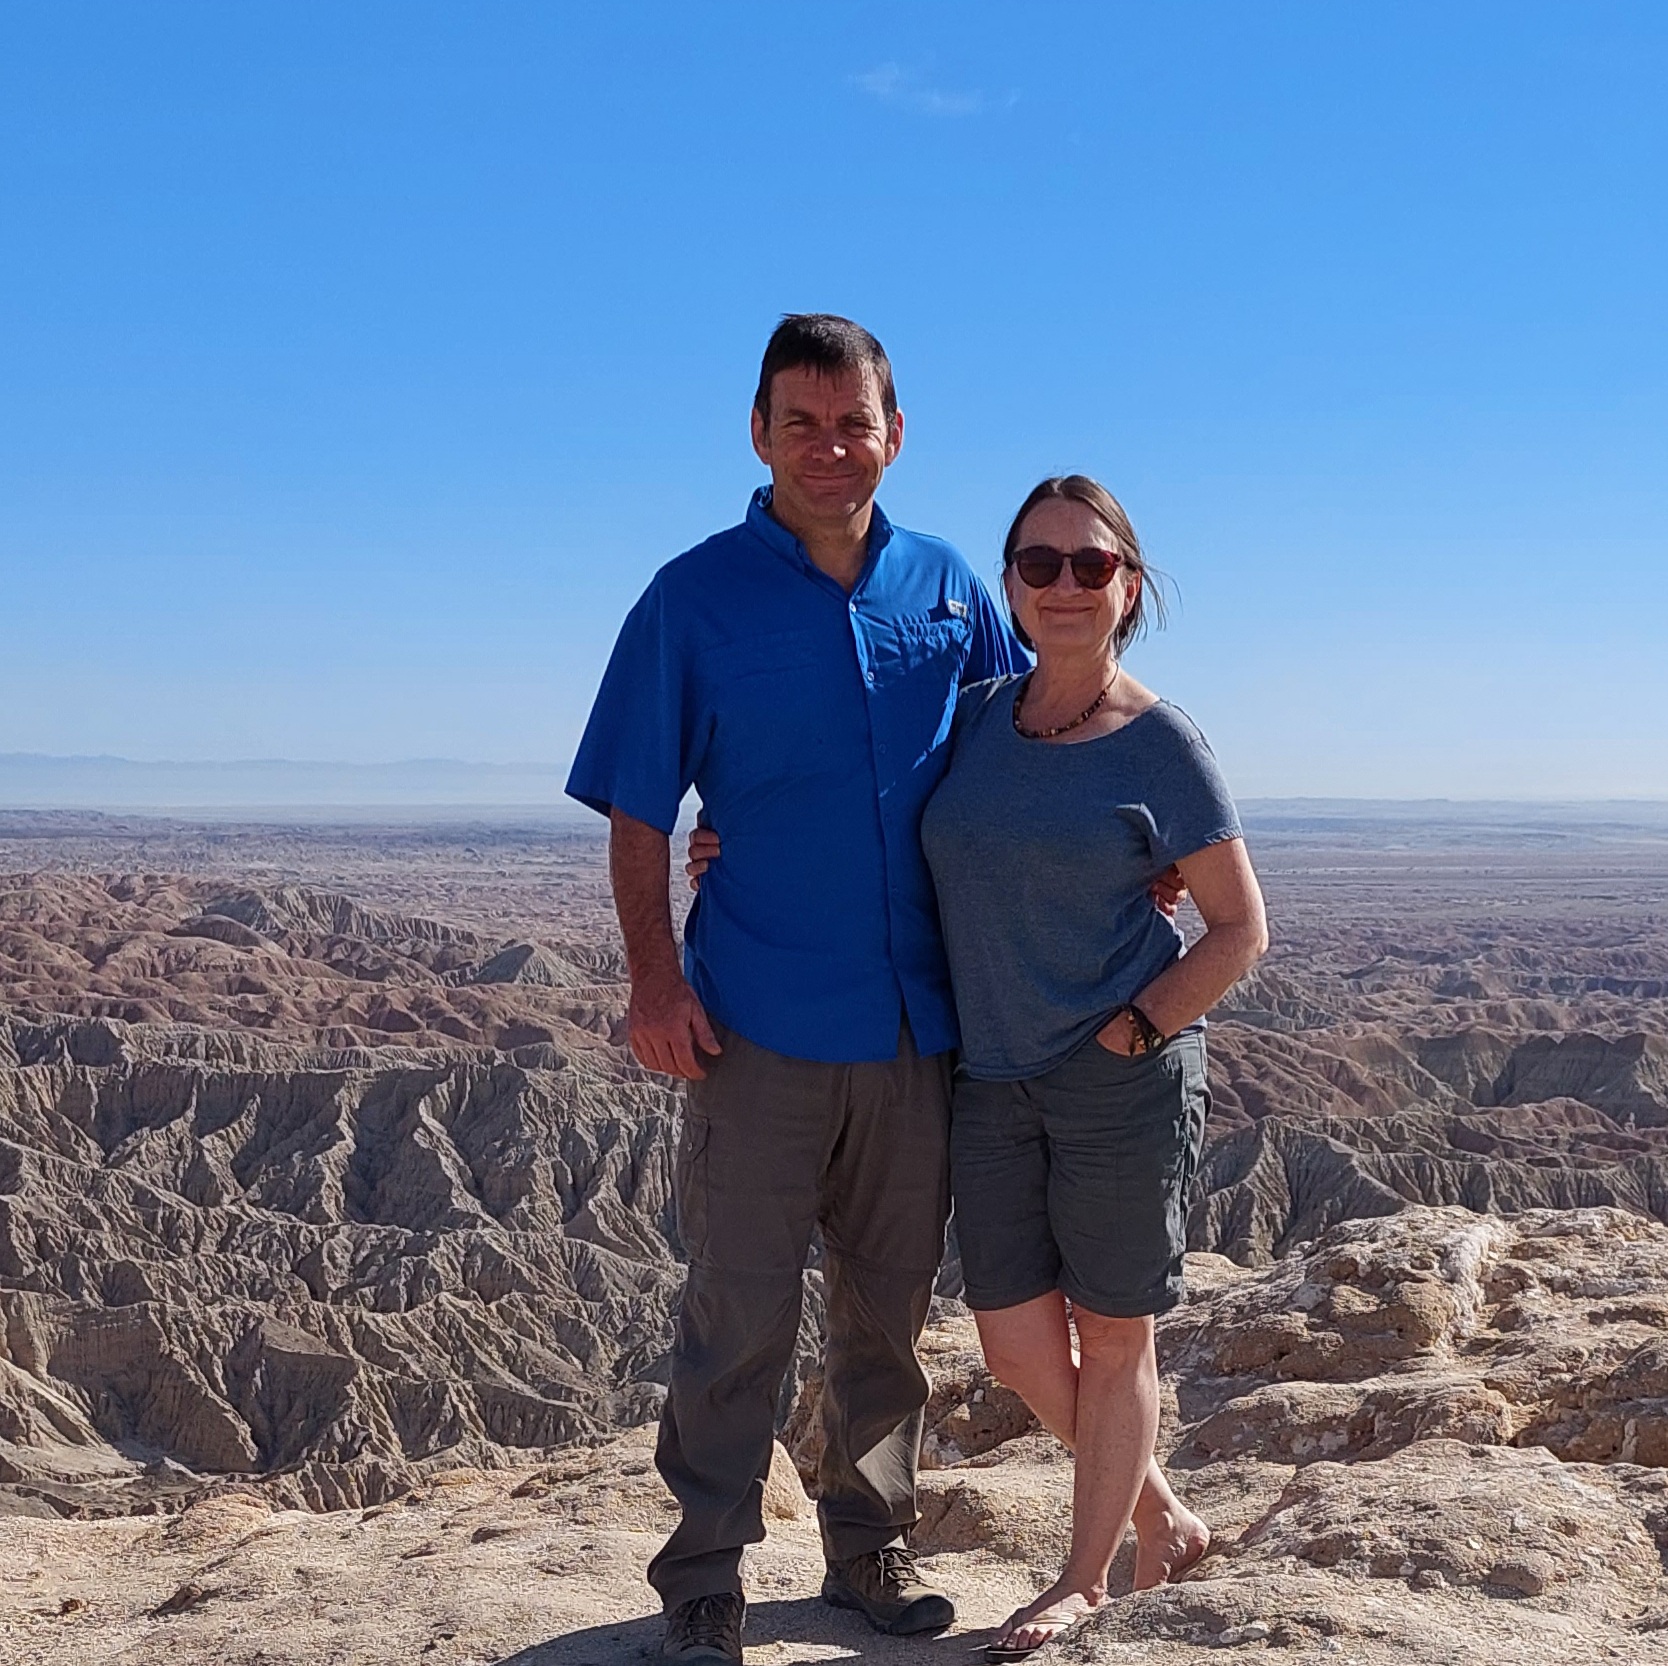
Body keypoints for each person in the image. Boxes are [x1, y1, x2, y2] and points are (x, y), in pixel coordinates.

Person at [565, 314, 1028, 1664]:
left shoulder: (948, 584)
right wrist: (655, 981)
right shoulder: (691, 599)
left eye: (857, 421)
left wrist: (1141, 849)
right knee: (740, 1312)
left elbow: (1026, 747)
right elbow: (639, 813)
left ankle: (870, 1551)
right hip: (758, 1017)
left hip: (918, 1024)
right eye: (804, 423)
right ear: (760, 434)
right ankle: (704, 1572)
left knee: (886, 1313)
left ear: (896, 429)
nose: (834, 446)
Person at [920, 474, 1268, 1658]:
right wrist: (725, 839)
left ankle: (1086, 1577)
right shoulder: (973, 716)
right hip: (989, 1073)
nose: (1064, 584)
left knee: (1115, 1337)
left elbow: (1238, 928)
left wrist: (1136, 1031)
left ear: (1129, 587)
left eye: (1091, 564)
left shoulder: (1162, 741)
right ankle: (1164, 1511)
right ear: (1009, 585)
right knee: (1014, 1344)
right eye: (1039, 563)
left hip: (1118, 1075)